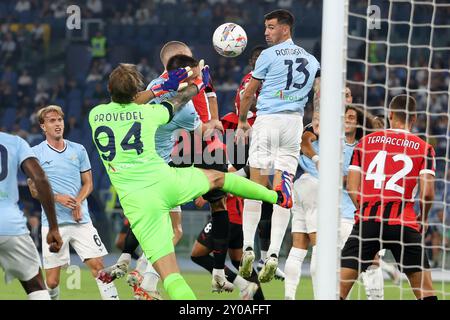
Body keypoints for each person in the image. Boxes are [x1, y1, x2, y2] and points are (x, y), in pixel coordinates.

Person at [89, 63, 293, 300]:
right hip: (166, 181)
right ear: (136, 93)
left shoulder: (95, 115)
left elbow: (129, 103)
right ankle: (278, 196)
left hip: (138, 202)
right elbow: (177, 102)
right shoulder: (148, 114)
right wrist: (197, 85)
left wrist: (158, 89)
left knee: (172, 276)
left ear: (108, 89)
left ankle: (129, 263)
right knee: (218, 178)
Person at [237, 9, 321, 283]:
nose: (266, 32)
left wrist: (241, 121)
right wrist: (317, 118)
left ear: (285, 29)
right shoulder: (311, 59)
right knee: (282, 189)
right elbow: (318, 92)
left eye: (271, 27)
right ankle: (273, 253)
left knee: (255, 186)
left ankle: (249, 246)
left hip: (268, 121)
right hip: (294, 124)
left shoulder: (267, 56)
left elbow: (250, 90)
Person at [342, 95, 437, 300]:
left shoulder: (365, 142)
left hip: (368, 222)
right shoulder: (424, 148)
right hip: (404, 222)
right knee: (426, 292)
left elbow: (351, 186)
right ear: (415, 118)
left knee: (337, 290)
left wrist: (365, 208)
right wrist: (423, 217)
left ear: (390, 114)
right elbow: (427, 192)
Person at [29, 105, 119, 300]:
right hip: (53, 224)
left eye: (59, 120)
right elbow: (34, 189)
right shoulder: (35, 153)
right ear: (43, 126)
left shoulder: (78, 150)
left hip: (82, 221)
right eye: (52, 121)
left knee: (99, 267)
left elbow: (89, 183)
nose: (57, 124)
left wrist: (78, 201)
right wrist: (56, 197)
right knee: (52, 281)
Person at [0, 131, 63, 300]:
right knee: (35, 286)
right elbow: (40, 178)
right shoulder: (15, 142)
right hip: (9, 226)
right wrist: (53, 227)